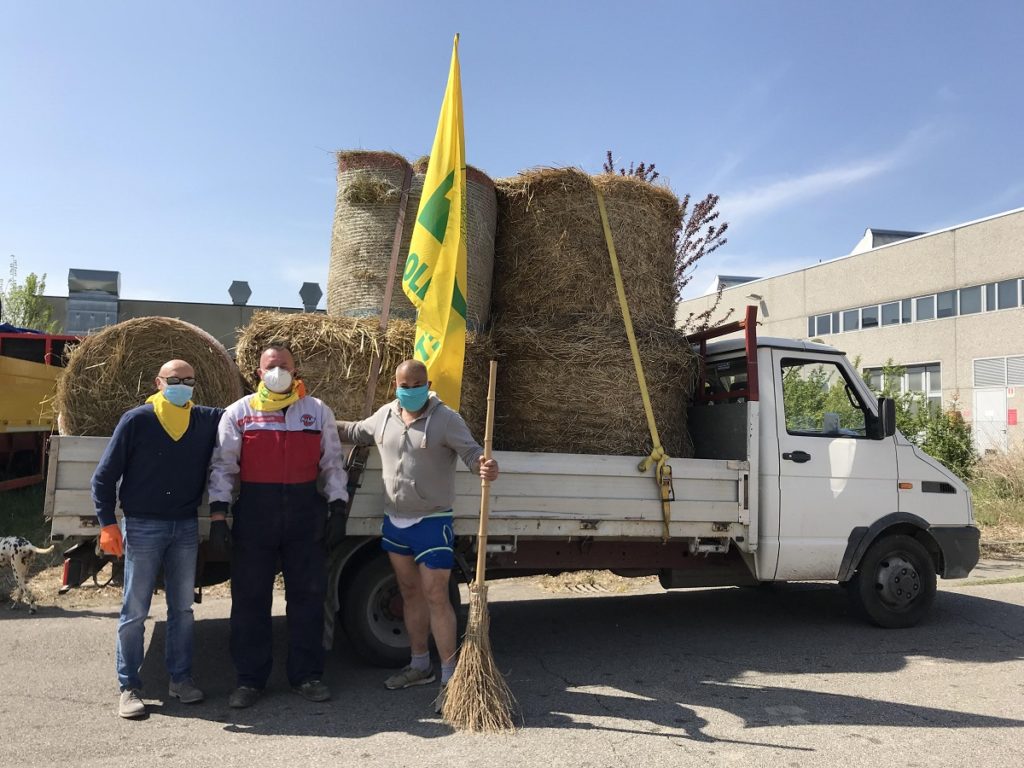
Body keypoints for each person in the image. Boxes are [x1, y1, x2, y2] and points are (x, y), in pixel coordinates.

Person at [337, 359, 499, 712]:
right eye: (404, 386)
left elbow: (472, 452)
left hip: (432, 521)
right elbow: (355, 431)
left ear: (428, 385)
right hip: (395, 522)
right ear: (395, 385)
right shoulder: (385, 415)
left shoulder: (446, 419)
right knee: (409, 593)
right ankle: (419, 665)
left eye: (417, 385)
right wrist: (317, 420)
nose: (410, 391)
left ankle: (450, 679)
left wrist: (483, 465)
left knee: (436, 595)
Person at [208, 343, 348, 709]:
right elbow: (223, 467)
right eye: (271, 366)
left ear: (295, 370)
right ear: (258, 373)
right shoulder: (240, 412)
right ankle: (249, 680)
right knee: (250, 600)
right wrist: (219, 516)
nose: (278, 371)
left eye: (284, 365)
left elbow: (333, 463)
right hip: (256, 515)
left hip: (305, 515)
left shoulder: (316, 411)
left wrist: (338, 508)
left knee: (308, 598)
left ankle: (307, 676)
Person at [92, 359, 223, 719]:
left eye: (189, 380)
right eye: (174, 380)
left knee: (183, 609)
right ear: (158, 382)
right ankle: (129, 687)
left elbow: (245, 413)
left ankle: (180, 679)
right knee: (135, 611)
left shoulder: (202, 419)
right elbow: (103, 477)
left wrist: (280, 396)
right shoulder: (137, 420)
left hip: (184, 526)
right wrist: (107, 523)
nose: (182, 386)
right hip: (142, 525)